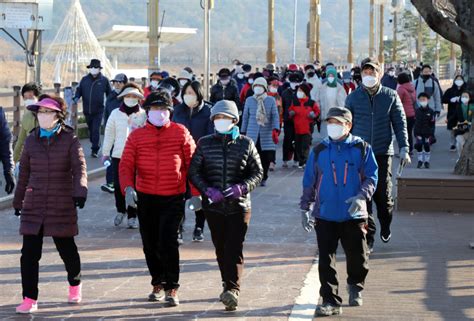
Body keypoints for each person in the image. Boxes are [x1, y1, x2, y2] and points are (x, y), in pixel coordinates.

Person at [119, 90, 195, 307]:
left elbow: (193, 163)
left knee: (168, 241)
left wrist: (194, 195)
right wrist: (128, 189)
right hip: (146, 197)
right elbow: (126, 166)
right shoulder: (136, 136)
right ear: (147, 111)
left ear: (170, 111)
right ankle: (157, 282)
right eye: (155, 109)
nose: (159, 113)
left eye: (163, 109)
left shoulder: (181, 133)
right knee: (150, 243)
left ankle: (172, 286)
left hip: (173, 196)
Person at [300, 107, 378, 317]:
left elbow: (372, 177)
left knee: (358, 256)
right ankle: (330, 300)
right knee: (326, 259)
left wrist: (361, 196)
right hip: (325, 212)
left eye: (338, 122)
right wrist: (305, 207)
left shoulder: (362, 148)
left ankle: (355, 285)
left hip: (354, 213)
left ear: (348, 125)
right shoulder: (319, 150)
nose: (332, 126)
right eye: (330, 122)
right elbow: (309, 180)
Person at [13, 96, 87, 314]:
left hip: (61, 201)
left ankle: (75, 284)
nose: (43, 116)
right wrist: (18, 201)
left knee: (67, 250)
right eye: (40, 112)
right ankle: (29, 298)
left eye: (48, 112)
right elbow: (24, 173)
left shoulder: (70, 138)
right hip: (34, 202)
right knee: (29, 254)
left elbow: (80, 167)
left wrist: (80, 192)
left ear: (57, 115)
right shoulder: (31, 139)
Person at [188, 100, 263, 311]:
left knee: (234, 247)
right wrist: (207, 190)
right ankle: (226, 282)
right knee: (220, 248)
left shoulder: (246, 143)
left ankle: (233, 289)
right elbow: (194, 172)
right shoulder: (204, 143)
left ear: (234, 120)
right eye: (218, 117)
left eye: (225, 118)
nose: (221, 121)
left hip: (239, 206)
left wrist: (243, 187)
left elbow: (257, 173)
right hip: (213, 206)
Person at [345, 57, 409, 252]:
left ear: (379, 73)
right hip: (360, 153)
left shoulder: (390, 96)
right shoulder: (353, 97)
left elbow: (400, 123)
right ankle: (369, 237)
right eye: (365, 72)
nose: (369, 75)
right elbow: (346, 124)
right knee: (365, 196)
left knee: (383, 196)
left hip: (382, 152)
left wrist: (404, 147)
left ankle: (386, 224)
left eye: (372, 72)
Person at [172, 81, 214, 243]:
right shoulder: (178, 111)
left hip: (199, 159)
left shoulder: (208, 112)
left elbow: (210, 136)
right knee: (180, 195)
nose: (188, 96)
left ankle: (199, 227)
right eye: (186, 93)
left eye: (191, 93)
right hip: (179, 159)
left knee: (199, 194)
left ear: (199, 94)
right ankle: (179, 228)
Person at [102, 83, 146, 229]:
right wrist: (105, 153)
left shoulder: (143, 114)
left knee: (134, 186)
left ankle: (133, 215)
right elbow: (109, 133)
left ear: (139, 98)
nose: (131, 98)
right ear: (123, 97)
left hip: (137, 157)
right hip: (118, 155)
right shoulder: (115, 113)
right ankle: (121, 210)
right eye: (128, 96)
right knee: (119, 185)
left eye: (134, 96)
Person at [241, 77, 280, 186]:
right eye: (256, 86)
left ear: (264, 88)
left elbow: (275, 116)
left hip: (266, 133)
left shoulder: (270, 100)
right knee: (252, 156)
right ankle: (253, 176)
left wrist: (275, 129)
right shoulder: (249, 100)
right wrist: (243, 131)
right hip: (252, 132)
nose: (258, 88)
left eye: (260, 86)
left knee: (265, 157)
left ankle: (264, 177)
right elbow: (245, 117)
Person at [73, 59, 111, 158]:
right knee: (91, 130)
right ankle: (94, 142)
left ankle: (95, 149)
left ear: (99, 69)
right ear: (89, 68)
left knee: (95, 129)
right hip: (87, 110)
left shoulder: (104, 80)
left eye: (95, 67)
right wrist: (76, 97)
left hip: (99, 110)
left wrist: (111, 104)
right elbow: (79, 90)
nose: (93, 69)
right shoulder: (84, 79)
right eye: (92, 67)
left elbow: (109, 94)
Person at [101, 73, 128, 194]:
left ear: (125, 84)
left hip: (124, 133)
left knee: (122, 159)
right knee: (109, 157)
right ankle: (110, 182)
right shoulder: (111, 97)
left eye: (119, 82)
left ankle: (123, 182)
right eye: (115, 82)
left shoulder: (128, 98)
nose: (116, 84)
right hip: (111, 132)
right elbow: (106, 114)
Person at [288, 83, 320, 168]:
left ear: (305, 92)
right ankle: (300, 161)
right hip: (297, 128)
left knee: (305, 146)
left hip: (307, 128)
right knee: (298, 146)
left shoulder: (311, 102)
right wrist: (291, 113)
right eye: (298, 90)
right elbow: (290, 111)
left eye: (301, 91)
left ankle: (305, 162)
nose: (298, 92)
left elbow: (317, 112)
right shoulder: (294, 102)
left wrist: (313, 115)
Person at [13, 83, 41, 165]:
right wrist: (14, 161)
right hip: (32, 156)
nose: (28, 100)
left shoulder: (47, 114)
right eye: (25, 98)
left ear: (38, 97)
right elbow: (20, 141)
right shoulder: (26, 116)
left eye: (30, 97)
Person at [316, 67, 347, 140]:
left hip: (336, 118)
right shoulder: (322, 88)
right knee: (325, 138)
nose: (330, 78)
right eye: (329, 76)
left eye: (332, 76)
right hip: (325, 117)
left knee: (336, 137)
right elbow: (318, 101)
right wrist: (318, 113)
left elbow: (343, 103)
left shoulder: (340, 89)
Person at [281, 71, 304, 168]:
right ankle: (286, 159)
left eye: (297, 82)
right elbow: (282, 106)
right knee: (288, 139)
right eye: (293, 82)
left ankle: (297, 159)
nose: (295, 84)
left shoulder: (302, 93)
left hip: (299, 120)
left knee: (298, 140)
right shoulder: (285, 92)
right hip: (288, 120)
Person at [442, 75, 467, 152]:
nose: (459, 81)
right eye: (457, 79)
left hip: (463, 112)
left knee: (462, 127)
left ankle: (462, 142)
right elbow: (443, 100)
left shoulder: (466, 90)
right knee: (452, 129)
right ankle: (452, 144)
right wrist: (450, 100)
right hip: (452, 112)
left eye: (460, 79)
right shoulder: (450, 90)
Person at [414, 93, 436, 169]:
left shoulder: (431, 111)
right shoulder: (417, 111)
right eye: (421, 100)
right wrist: (416, 134)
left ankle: (427, 161)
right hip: (419, 133)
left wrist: (431, 134)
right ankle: (420, 161)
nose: (422, 101)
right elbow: (415, 123)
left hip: (427, 133)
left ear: (428, 100)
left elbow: (432, 124)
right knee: (419, 146)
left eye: (424, 99)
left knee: (427, 146)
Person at [397, 72, 417, 154]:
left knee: (403, 133)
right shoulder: (412, 87)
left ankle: (404, 151)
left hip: (404, 114)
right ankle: (410, 149)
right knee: (409, 132)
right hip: (412, 114)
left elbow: (397, 102)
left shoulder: (401, 89)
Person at [267, 76, 283, 171]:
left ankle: (272, 162)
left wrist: (279, 122)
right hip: (266, 122)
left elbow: (280, 110)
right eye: (273, 85)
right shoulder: (265, 96)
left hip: (276, 122)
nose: (275, 87)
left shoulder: (278, 97)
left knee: (273, 142)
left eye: (276, 86)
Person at [451, 91, 473, 159]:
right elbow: (453, 118)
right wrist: (450, 123)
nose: (464, 98)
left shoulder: (472, 106)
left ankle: (469, 158)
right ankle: (461, 159)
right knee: (459, 144)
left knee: (469, 146)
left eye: (466, 96)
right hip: (460, 130)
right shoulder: (458, 107)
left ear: (469, 98)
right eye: (463, 96)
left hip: (470, 130)